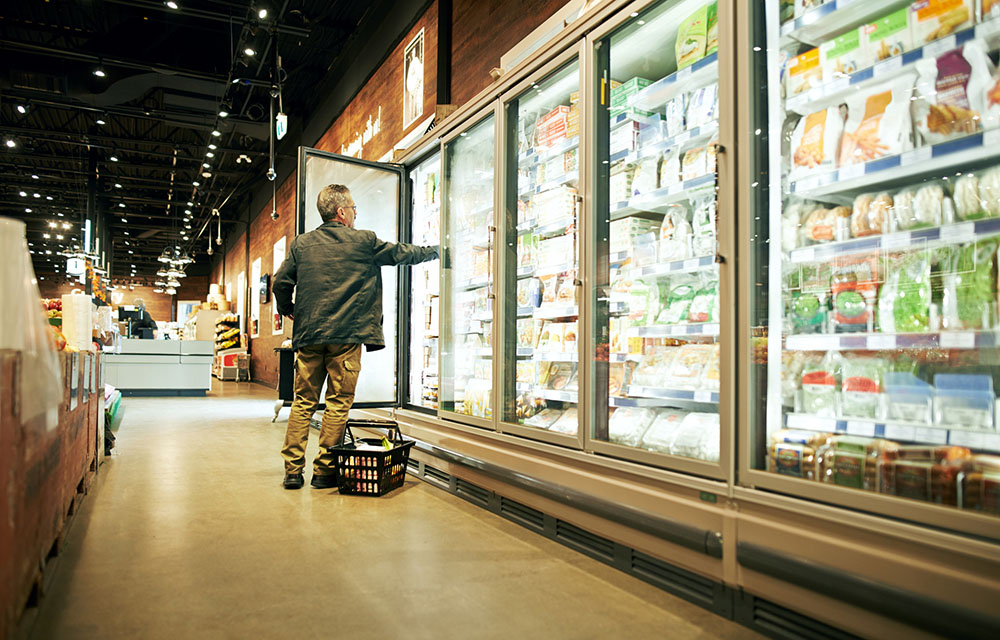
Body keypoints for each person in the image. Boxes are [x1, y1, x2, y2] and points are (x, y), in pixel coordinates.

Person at [272, 183, 439, 490]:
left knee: (302, 402)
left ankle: (292, 471)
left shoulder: (301, 245)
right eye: (353, 209)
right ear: (341, 212)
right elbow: (402, 254)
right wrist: (436, 252)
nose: (355, 213)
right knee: (337, 403)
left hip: (309, 336)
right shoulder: (364, 241)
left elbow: (280, 282)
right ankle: (324, 471)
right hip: (346, 338)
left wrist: (289, 309)